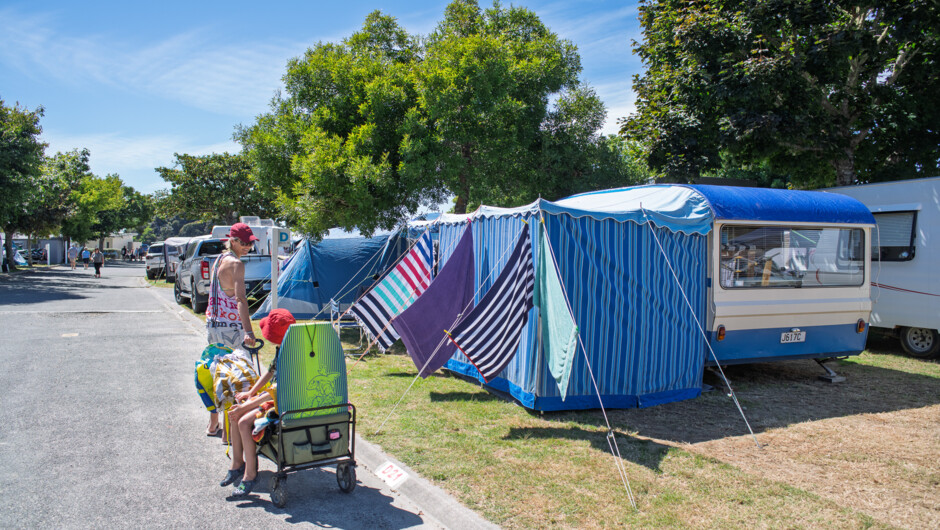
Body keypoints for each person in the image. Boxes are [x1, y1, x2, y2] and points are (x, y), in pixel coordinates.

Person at [222, 308, 296, 498]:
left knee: (243, 421)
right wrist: (250, 393)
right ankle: (237, 464)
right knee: (235, 413)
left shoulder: (291, 356)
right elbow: (270, 372)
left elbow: (276, 392)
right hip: (276, 398)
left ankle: (250, 475)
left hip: (283, 403)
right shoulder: (286, 347)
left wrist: (247, 404)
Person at [204, 223, 260, 436]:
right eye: (244, 243)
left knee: (218, 372)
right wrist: (248, 330)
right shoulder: (236, 264)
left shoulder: (218, 260)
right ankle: (230, 432)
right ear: (233, 241)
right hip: (231, 327)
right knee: (236, 377)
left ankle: (213, 424)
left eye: (250, 243)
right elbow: (240, 299)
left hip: (214, 324)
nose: (247, 247)